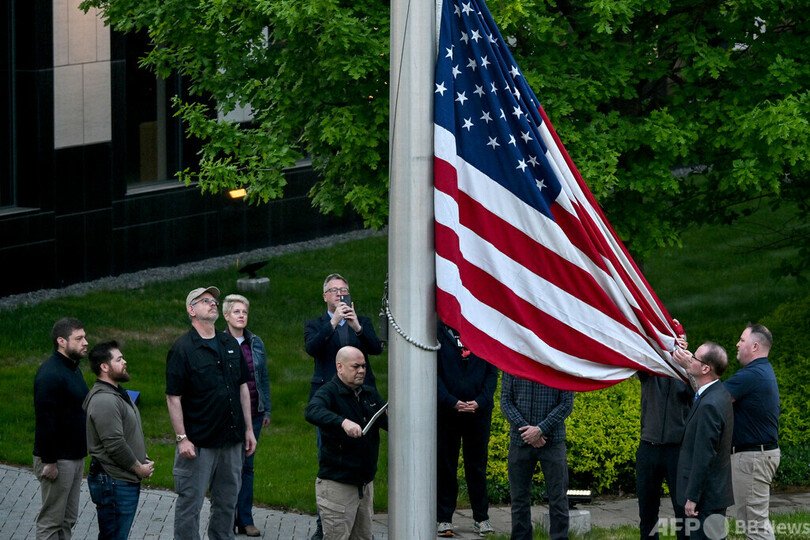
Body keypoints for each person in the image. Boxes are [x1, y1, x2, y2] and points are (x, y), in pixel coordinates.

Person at [165, 286, 257, 540]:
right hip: (198, 444)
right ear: (191, 310)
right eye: (205, 300)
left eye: (214, 300)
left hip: (231, 441)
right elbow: (173, 397)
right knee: (190, 504)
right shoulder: (182, 348)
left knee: (227, 503)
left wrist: (249, 429)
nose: (213, 303)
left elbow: (242, 387)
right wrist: (181, 438)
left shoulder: (229, 343)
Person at [304, 273, 383, 539]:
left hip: (361, 396)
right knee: (329, 457)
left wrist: (357, 326)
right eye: (335, 290)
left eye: (344, 290)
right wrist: (333, 322)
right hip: (331, 397)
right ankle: (326, 523)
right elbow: (313, 349)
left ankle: (359, 509)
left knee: (364, 445)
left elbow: (376, 348)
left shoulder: (361, 322)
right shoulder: (315, 324)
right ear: (325, 296)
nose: (340, 294)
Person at [304, 346, 388, 540]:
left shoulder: (369, 394)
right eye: (355, 366)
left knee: (363, 537)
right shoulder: (329, 392)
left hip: (365, 485)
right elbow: (312, 411)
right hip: (338, 485)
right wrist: (343, 422)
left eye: (364, 366)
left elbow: (389, 423)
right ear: (339, 367)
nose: (361, 371)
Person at [84, 341, 154, 540]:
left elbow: (125, 432)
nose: (125, 362)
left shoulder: (116, 393)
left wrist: (141, 455)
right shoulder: (104, 400)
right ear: (104, 367)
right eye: (119, 359)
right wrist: (139, 468)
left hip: (120, 480)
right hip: (113, 482)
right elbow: (114, 444)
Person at [436, 320, 498, 538]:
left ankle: (481, 518)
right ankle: (444, 519)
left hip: (478, 414)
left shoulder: (483, 329)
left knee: (477, 466)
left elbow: (492, 372)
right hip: (447, 412)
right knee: (446, 465)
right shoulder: (438, 333)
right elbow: (433, 372)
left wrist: (480, 401)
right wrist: (450, 401)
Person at [33, 317, 90, 540]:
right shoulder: (50, 374)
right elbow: (45, 420)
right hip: (57, 460)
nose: (85, 342)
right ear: (61, 341)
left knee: (68, 519)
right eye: (79, 338)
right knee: (51, 522)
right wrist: (49, 462)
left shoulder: (73, 369)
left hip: (74, 457)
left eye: (84, 337)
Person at [500, 372, 574, 540]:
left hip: (552, 441)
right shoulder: (513, 363)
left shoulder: (560, 364)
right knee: (519, 499)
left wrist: (541, 429)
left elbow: (566, 403)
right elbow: (505, 401)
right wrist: (527, 430)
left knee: (558, 498)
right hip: (520, 440)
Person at [636, 327, 694, 540]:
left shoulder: (690, 370)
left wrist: (687, 365)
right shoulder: (650, 367)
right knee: (647, 511)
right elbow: (635, 356)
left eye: (677, 341)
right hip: (648, 446)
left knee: (683, 511)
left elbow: (700, 393)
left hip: (677, 450)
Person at [724, 323, 780, 540]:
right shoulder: (759, 372)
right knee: (752, 523)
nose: (737, 344)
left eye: (742, 340)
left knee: (755, 526)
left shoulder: (752, 375)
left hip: (753, 459)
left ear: (755, 346)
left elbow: (713, 398)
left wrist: (690, 368)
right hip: (756, 457)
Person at [222, 294, 272, 538]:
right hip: (230, 415)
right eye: (236, 312)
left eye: (244, 312)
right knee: (229, 468)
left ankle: (245, 519)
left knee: (247, 468)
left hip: (254, 412)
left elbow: (263, 377)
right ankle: (226, 519)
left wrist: (267, 409)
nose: (241, 316)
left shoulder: (256, 342)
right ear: (226, 316)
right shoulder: (219, 342)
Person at [673, 342, 734, 540]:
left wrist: (692, 497)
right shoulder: (717, 393)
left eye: (694, 357)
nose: (689, 359)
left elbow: (704, 455)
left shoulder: (709, 404)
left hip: (706, 499)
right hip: (713, 494)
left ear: (706, 369)